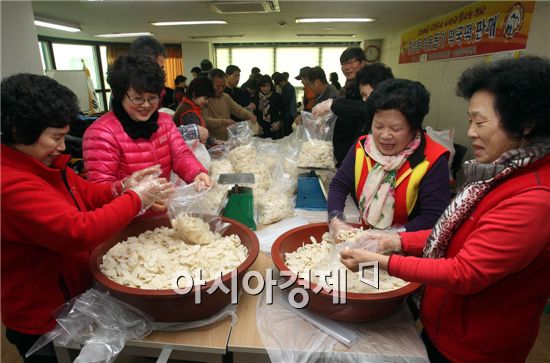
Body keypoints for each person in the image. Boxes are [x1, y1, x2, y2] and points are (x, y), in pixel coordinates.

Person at [340, 56, 550, 363]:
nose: (471, 132)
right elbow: (453, 234)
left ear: (525, 123)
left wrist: (381, 259)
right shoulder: (498, 171)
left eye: (480, 122)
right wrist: (395, 241)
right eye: (470, 121)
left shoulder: (535, 197)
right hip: (444, 322)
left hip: (476, 345)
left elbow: (466, 271)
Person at [1, 73, 171, 362]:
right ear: (20, 131)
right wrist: (137, 198)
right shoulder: (10, 183)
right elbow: (77, 232)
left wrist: (123, 186)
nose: (63, 147)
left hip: (73, 294)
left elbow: (85, 194)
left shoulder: (44, 164)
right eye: (55, 137)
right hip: (41, 312)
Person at [83, 55, 211, 211]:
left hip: (160, 216)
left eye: (152, 98)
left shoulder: (163, 122)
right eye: (137, 99)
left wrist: (196, 173)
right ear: (120, 94)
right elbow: (99, 191)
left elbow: (181, 154)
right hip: (123, 221)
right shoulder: (101, 133)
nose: (146, 105)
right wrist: (138, 197)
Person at [328, 79, 450, 232]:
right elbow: (339, 185)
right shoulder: (363, 146)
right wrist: (335, 218)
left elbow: (433, 218)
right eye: (378, 126)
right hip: (366, 237)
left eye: (396, 128)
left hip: (408, 248)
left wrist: (391, 237)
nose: (385, 135)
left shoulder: (433, 159)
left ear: (414, 127)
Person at [313, 63, 394, 166]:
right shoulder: (362, 115)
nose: (365, 101)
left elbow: (369, 108)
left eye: (366, 95)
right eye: (362, 97)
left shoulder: (390, 110)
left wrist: (333, 104)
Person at [202, 68, 257, 140]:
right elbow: (205, 120)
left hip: (226, 140)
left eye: (223, 86)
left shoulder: (226, 97)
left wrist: (250, 116)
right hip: (210, 141)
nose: (221, 89)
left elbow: (238, 110)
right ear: (210, 84)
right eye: (218, 86)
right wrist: (223, 122)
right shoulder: (204, 99)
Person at [173, 77, 215, 146]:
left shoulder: (190, 105)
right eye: (205, 98)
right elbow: (200, 137)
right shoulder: (188, 112)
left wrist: (214, 141)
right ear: (194, 93)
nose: (207, 102)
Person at [255, 75, 284, 139]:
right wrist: (255, 125)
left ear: (271, 86)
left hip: (274, 128)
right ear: (259, 87)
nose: (265, 89)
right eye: (263, 86)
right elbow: (253, 114)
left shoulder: (277, 96)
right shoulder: (256, 98)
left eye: (267, 86)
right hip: (260, 129)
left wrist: (279, 123)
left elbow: (283, 112)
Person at [273, 72, 297, 137]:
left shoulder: (288, 87)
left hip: (289, 113)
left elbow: (284, 101)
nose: (279, 85)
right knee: (287, 131)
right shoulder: (286, 87)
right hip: (288, 113)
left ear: (283, 81)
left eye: (279, 83)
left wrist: (278, 94)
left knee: (287, 132)